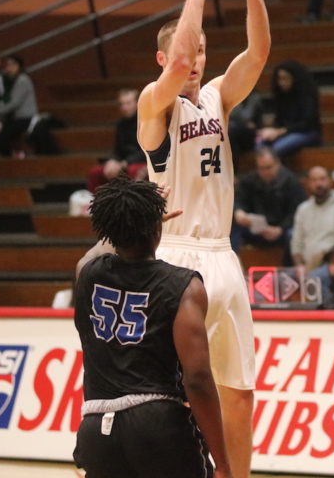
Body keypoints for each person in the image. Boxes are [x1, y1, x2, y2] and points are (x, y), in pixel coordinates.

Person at [135, 0, 268, 478]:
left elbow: (257, 54)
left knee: (238, 394)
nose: (197, 61)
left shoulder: (217, 97)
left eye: (204, 52)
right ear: (164, 59)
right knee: (173, 394)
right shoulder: (153, 104)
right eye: (188, 54)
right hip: (175, 259)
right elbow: (181, 58)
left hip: (222, 255)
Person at [73, 178, 231, 478]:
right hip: (156, 422)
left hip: (95, 427)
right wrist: (222, 463)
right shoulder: (183, 285)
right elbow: (196, 378)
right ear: (157, 227)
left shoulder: (86, 272)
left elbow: (95, 251)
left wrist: (129, 218)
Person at [232, 147, 305, 265]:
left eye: (269, 168)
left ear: (278, 163)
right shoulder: (249, 180)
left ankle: (287, 273)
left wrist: (280, 229)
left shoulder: (291, 181)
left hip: (282, 230)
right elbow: (240, 200)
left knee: (293, 235)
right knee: (233, 227)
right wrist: (239, 211)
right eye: (261, 169)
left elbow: (297, 211)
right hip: (256, 229)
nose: (265, 172)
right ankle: (235, 267)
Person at [291, 166, 334, 272]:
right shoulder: (303, 209)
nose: (319, 184)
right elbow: (297, 243)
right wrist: (299, 265)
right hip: (307, 267)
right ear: (308, 183)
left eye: (322, 179)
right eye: (314, 180)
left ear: (330, 181)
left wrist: (326, 257)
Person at [86, 89, 147, 193]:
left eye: (128, 103)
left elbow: (146, 150)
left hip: (140, 161)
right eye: (121, 104)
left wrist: (124, 163)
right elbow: (117, 149)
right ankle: (98, 205)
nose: (124, 107)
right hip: (123, 162)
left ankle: (134, 205)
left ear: (137, 103)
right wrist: (112, 161)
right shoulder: (120, 124)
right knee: (95, 172)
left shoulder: (145, 121)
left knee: (132, 171)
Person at [257, 60, 321, 158]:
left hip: (307, 133)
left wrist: (280, 131)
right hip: (286, 132)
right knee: (259, 144)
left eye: (285, 78)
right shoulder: (280, 95)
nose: (281, 82)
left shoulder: (306, 95)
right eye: (279, 79)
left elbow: (307, 124)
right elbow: (279, 121)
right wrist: (272, 131)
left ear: (294, 78)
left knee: (276, 149)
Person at [0, 54, 39, 157]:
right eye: (7, 65)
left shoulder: (22, 80)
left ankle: (17, 155)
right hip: (18, 118)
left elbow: (14, 103)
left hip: (26, 118)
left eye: (12, 65)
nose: (9, 68)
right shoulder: (14, 81)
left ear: (19, 66)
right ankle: (14, 155)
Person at [227, 91, 264, 166]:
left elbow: (257, 123)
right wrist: (244, 123)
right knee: (231, 131)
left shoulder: (255, 99)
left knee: (231, 130)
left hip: (251, 135)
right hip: (235, 133)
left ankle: (234, 169)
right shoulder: (231, 97)